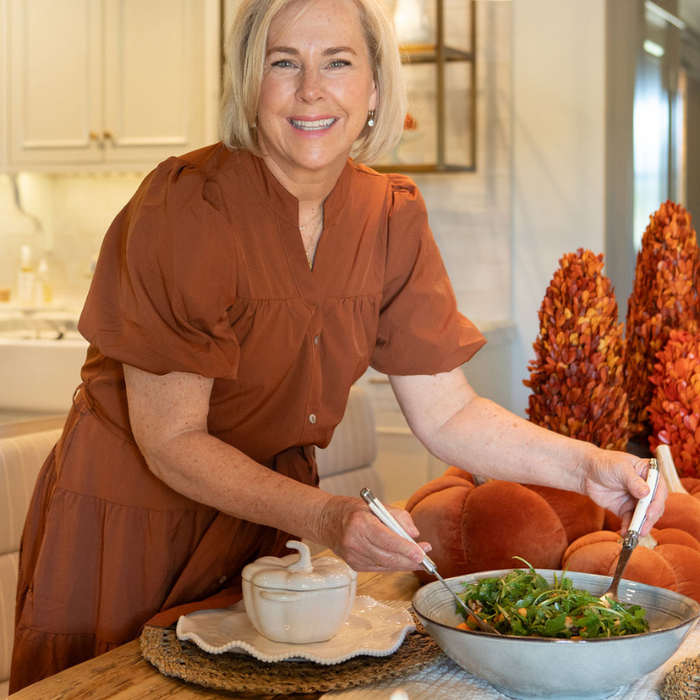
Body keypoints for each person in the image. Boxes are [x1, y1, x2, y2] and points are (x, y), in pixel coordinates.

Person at [10, 0, 666, 691]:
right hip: (134, 524)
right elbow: (170, 439)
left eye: (339, 62)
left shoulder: (390, 216)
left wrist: (588, 468)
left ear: (376, 87)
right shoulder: (185, 208)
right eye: (282, 62)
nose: (311, 90)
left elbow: (446, 413)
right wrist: (327, 516)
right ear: (247, 82)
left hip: (263, 526)